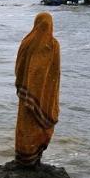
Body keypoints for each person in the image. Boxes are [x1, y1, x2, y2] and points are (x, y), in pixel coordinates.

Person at [14, 12, 60, 166]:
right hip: (44, 96)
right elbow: (55, 73)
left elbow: (19, 66)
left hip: (26, 93)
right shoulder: (52, 44)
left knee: (25, 125)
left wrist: (24, 84)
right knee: (37, 125)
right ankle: (34, 160)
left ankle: (23, 159)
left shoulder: (27, 41)